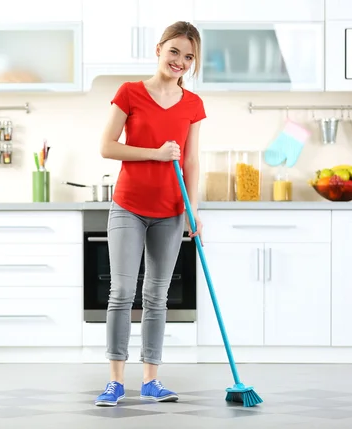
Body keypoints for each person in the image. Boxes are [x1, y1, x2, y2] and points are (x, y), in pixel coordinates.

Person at [95, 21, 206, 407]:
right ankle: (114, 381)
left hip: (172, 211)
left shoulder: (192, 104)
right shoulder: (129, 93)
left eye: (188, 56)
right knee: (122, 292)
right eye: (174, 51)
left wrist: (193, 211)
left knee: (158, 295)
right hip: (129, 205)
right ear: (158, 49)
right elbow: (107, 147)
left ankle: (151, 380)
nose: (180, 61)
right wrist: (156, 153)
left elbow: (192, 162)